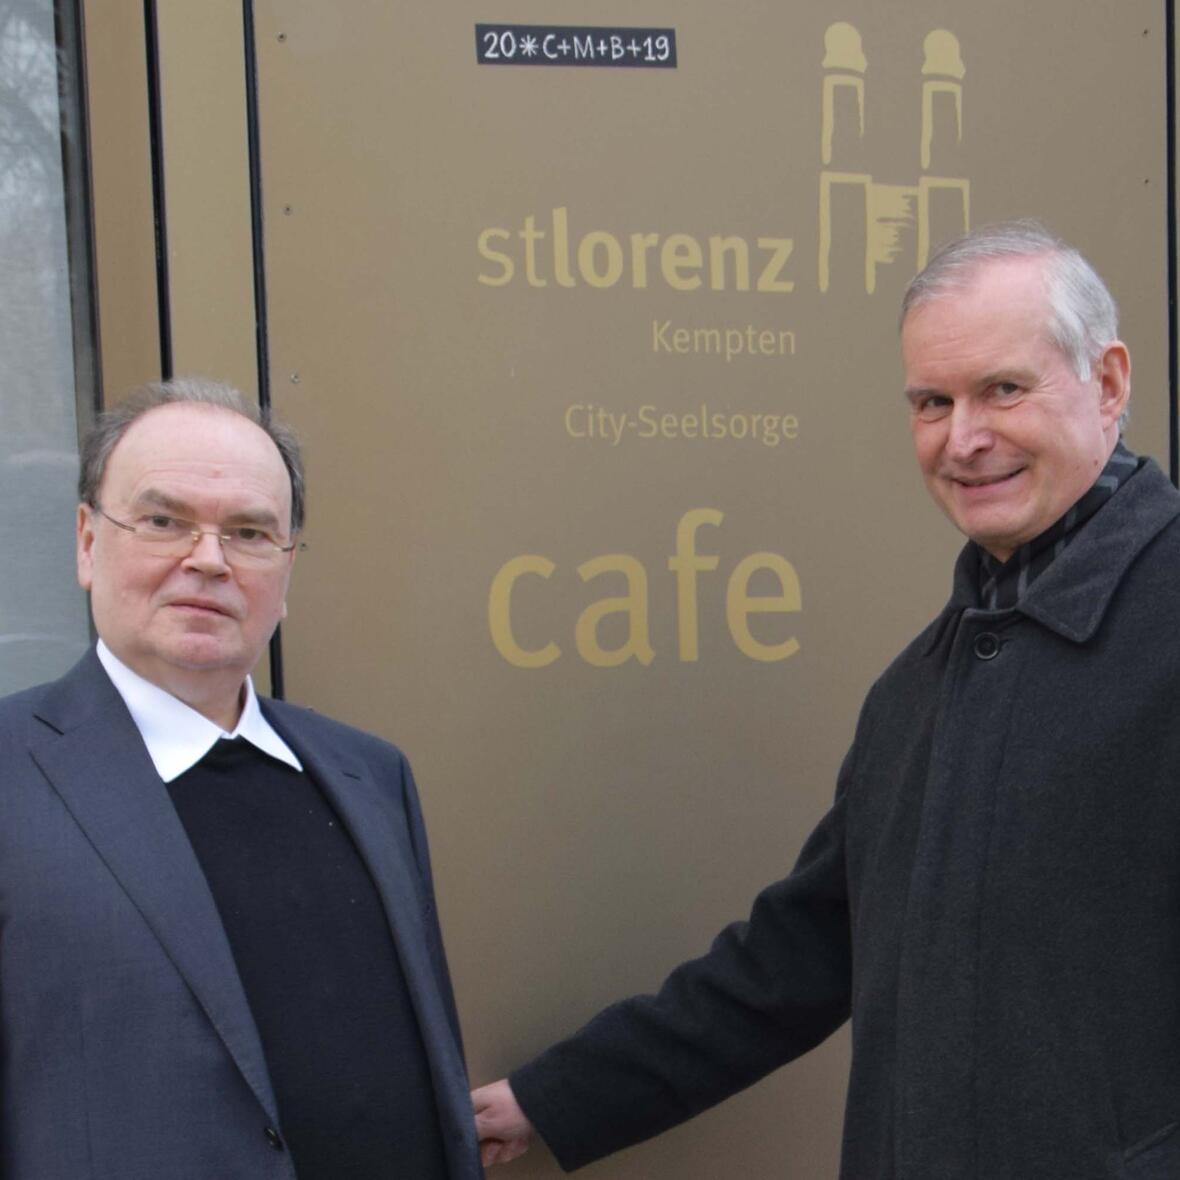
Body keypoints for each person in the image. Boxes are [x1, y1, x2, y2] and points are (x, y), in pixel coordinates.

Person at [472, 221, 1180, 1179]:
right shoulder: (918, 691)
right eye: (932, 402)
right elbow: (798, 958)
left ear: (1107, 383)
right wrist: (553, 1098)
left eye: (1002, 390)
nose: (964, 439)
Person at [0, 378, 482, 1179]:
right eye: (163, 521)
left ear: (288, 569)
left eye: (252, 533)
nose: (209, 560)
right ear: (87, 543)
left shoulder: (371, 775)